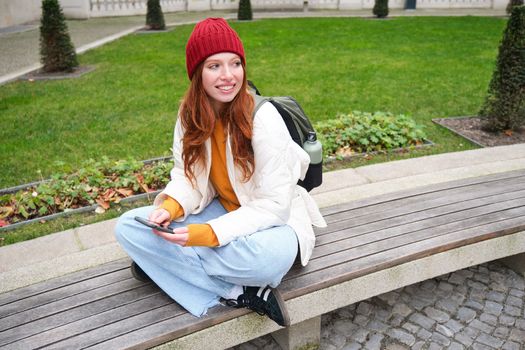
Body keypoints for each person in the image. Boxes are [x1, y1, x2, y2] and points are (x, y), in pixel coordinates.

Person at [114, 17, 326, 327]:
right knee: (129, 226)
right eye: (214, 66)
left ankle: (164, 264)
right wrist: (171, 207)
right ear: (197, 73)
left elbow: (273, 206)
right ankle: (238, 291)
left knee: (270, 260)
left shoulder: (263, 118)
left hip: (273, 223)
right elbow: (188, 177)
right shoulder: (190, 116)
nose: (228, 76)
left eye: (235, 64)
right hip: (221, 210)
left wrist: (208, 235)